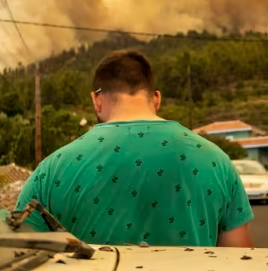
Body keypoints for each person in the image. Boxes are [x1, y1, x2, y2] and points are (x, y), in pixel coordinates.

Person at [15, 50, 254, 247]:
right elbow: (239, 264)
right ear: (157, 99)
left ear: (96, 100)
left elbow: (19, 256)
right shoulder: (216, 161)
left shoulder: (51, 170)